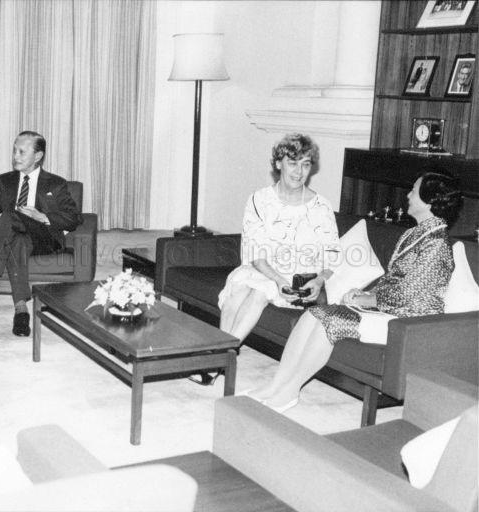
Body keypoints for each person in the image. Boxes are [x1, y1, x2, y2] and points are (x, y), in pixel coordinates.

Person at [249, 170, 463, 412]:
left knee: (330, 320)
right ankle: (276, 385)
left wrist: (367, 300)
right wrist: (365, 294)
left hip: (408, 322)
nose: (408, 195)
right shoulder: (416, 233)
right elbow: (393, 281)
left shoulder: (436, 244)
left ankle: (289, 392)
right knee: (312, 314)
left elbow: (407, 294)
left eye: (414, 190)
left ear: (430, 201)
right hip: (390, 310)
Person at [191, 134, 340, 386]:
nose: (299, 171)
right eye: (292, 163)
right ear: (279, 163)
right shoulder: (259, 200)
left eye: (305, 164)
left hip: (298, 283)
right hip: (265, 270)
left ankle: (216, 360)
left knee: (259, 292)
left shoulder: (321, 207)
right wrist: (278, 280)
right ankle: (221, 356)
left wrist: (319, 280)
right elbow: (256, 255)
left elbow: (332, 256)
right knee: (240, 288)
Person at [0, 131, 82, 336]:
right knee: (17, 238)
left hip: (43, 238)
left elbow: (74, 218)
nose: (15, 156)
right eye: (14, 151)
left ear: (38, 156)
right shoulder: (4, 181)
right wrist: (5, 222)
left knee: (12, 217)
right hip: (14, 239)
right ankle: (21, 311)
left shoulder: (56, 184)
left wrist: (42, 216)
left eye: (22, 152)